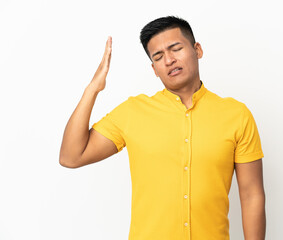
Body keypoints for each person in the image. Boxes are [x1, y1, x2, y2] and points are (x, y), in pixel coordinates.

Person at [59, 16, 266, 240]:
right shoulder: (133, 112)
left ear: (198, 50)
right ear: (154, 69)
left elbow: (251, 195)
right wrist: (93, 88)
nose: (168, 60)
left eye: (175, 48)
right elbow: (71, 156)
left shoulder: (236, 115)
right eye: (158, 57)